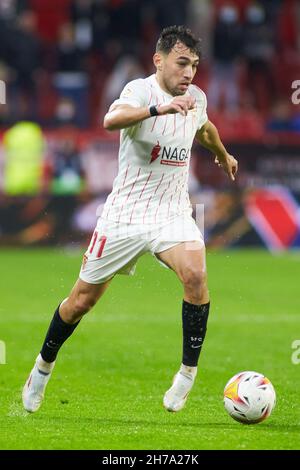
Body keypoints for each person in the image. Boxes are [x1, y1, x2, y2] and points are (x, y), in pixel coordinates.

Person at [22, 25, 238, 414]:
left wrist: (222, 152)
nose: (188, 73)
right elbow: (111, 121)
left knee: (196, 276)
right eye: (181, 63)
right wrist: (159, 109)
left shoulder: (197, 98)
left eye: (194, 65)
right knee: (80, 302)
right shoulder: (140, 90)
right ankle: (42, 367)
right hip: (125, 213)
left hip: (172, 211)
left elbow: (203, 128)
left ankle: (187, 374)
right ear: (159, 60)